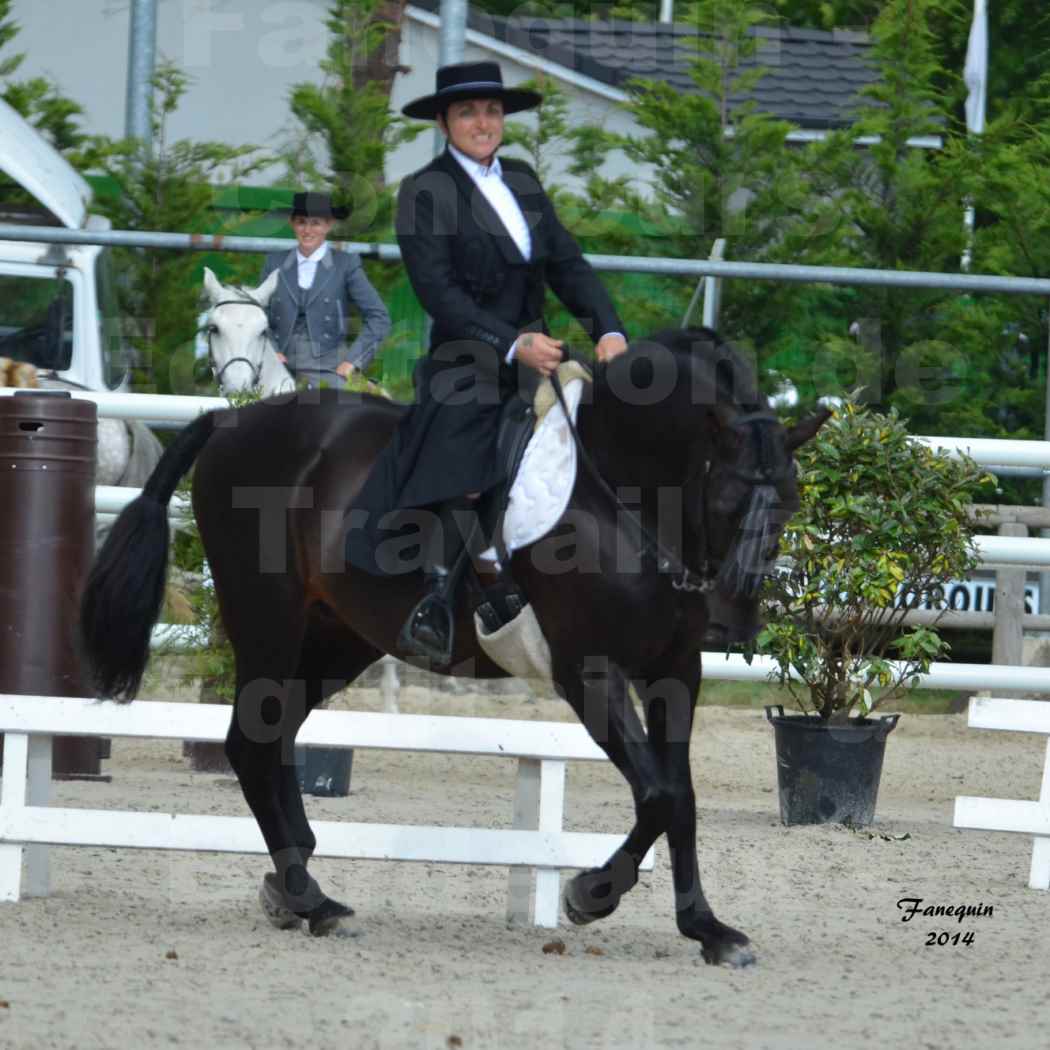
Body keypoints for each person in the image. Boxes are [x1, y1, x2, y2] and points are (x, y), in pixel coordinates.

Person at [346, 61, 628, 666]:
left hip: (539, 353)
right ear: (446, 121)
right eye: (469, 112)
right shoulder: (424, 190)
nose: (483, 122)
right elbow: (437, 291)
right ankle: (438, 596)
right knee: (464, 444)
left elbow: (568, 266)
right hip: (467, 356)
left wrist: (608, 329)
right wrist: (510, 342)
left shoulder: (522, 179)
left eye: (492, 111)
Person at [259, 191, 390, 387]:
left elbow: (379, 317)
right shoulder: (274, 262)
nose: (307, 230)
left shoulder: (346, 264)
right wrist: (272, 349)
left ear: (328, 225)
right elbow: (260, 314)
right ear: (292, 223)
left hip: (328, 367)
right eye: (301, 222)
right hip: (277, 363)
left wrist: (352, 361)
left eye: (315, 223)